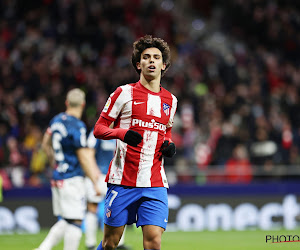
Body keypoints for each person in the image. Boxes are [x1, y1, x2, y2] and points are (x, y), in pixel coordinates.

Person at [93, 35, 178, 250]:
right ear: (138, 64)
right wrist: (122, 133)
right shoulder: (123, 93)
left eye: (156, 57)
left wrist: (168, 144)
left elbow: (165, 131)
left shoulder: (171, 100)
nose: (151, 61)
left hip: (155, 182)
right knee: (111, 243)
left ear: (163, 65)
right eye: (146, 57)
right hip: (123, 181)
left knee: (153, 242)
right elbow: (99, 129)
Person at [35, 88, 101, 250]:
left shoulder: (56, 120)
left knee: (66, 219)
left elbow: (45, 143)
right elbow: (83, 156)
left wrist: (54, 162)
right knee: (76, 221)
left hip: (58, 176)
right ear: (83, 105)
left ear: (67, 103)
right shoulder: (77, 125)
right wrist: (94, 181)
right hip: (72, 178)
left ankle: (42, 248)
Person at [85, 130, 130, 250]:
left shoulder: (119, 132)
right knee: (93, 208)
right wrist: (94, 174)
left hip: (115, 176)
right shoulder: (97, 132)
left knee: (119, 208)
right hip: (98, 175)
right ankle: (90, 244)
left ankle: (120, 243)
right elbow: (89, 153)